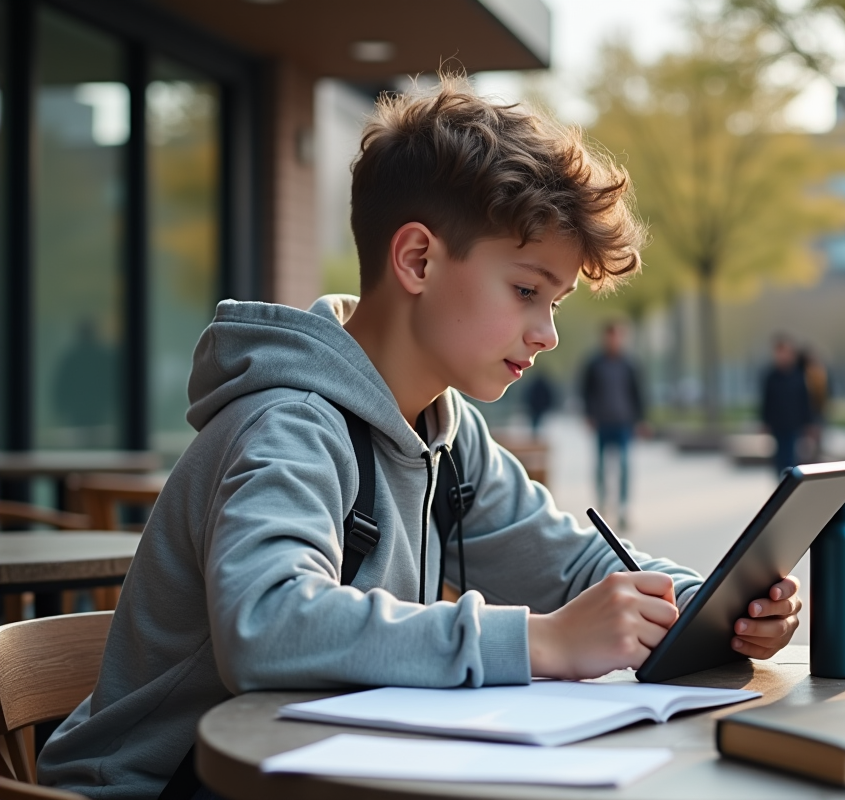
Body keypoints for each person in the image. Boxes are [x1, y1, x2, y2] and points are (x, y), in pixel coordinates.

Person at [38, 77, 804, 800]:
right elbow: (265, 627)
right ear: (418, 259)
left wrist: (709, 605)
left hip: (310, 769)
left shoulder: (445, 430)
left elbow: (571, 563)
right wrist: (538, 643)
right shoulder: (291, 422)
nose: (547, 333)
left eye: (558, 303)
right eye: (528, 290)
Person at [581, 322, 644, 528]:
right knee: (600, 467)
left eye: (617, 336)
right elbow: (586, 391)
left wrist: (641, 419)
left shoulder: (629, 364)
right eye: (611, 336)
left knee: (625, 466)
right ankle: (603, 506)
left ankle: (624, 508)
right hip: (602, 422)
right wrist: (588, 415)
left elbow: (638, 393)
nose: (614, 340)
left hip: (623, 422)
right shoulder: (594, 364)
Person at [760, 335, 813, 476]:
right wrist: (765, 422)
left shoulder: (798, 376)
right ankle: (781, 481)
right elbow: (766, 401)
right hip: (777, 424)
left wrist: (808, 423)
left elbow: (804, 401)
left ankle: (789, 482)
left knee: (791, 456)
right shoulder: (771, 377)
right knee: (779, 457)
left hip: (793, 423)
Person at [522, 372, 556, 438]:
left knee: (535, 421)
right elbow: (549, 396)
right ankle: (537, 435)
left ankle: (535, 434)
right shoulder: (545, 385)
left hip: (534, 406)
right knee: (539, 420)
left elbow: (528, 395)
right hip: (540, 406)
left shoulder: (533, 385)